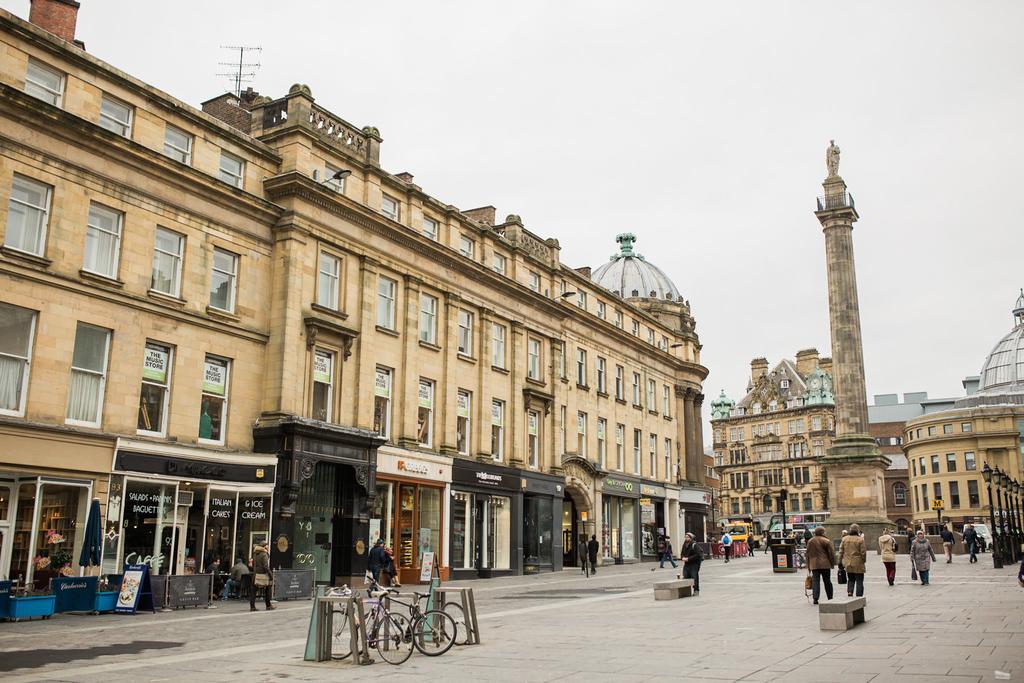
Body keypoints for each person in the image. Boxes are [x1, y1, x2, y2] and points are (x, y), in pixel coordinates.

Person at [806, 526, 836, 605]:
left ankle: (815, 598)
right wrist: (833, 563)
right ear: (822, 532)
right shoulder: (826, 541)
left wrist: (808, 565)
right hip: (825, 564)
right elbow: (831, 554)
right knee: (827, 581)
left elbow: (807, 554)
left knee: (816, 581)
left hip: (814, 564)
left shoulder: (810, 541)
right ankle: (830, 597)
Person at [838, 523, 867, 598]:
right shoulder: (860, 539)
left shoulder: (844, 539)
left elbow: (841, 551)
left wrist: (839, 561)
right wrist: (863, 560)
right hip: (858, 562)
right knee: (859, 580)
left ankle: (850, 591)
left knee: (850, 579)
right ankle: (859, 595)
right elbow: (863, 552)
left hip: (848, 562)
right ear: (857, 530)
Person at [250, 541, 274, 611]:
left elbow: (253, 564)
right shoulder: (264, 554)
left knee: (253, 591)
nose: (268, 547)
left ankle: (252, 607)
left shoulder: (255, 553)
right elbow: (265, 566)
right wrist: (270, 575)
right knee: (268, 589)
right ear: (264, 546)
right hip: (262, 575)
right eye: (267, 545)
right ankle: (268, 605)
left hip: (255, 574)